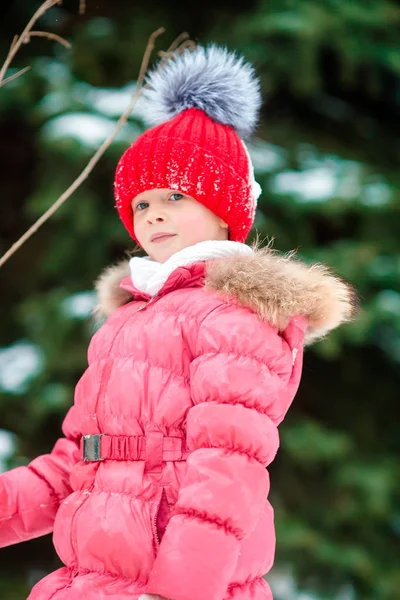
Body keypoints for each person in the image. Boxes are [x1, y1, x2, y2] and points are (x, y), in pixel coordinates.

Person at [0, 45, 357, 600]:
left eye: (174, 195)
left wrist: (180, 591)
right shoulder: (128, 320)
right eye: (140, 204)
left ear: (225, 209)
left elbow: (226, 471)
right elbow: (76, 461)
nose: (154, 213)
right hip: (91, 581)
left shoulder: (235, 316)